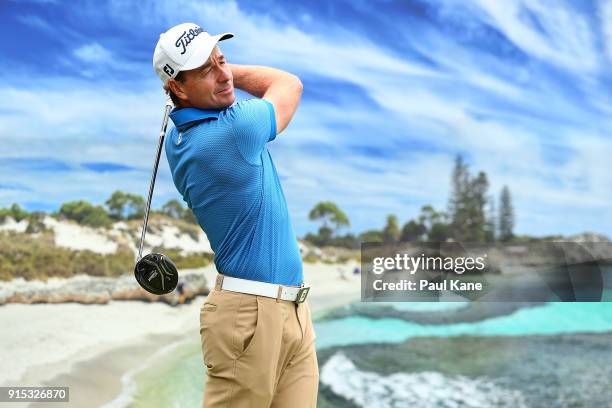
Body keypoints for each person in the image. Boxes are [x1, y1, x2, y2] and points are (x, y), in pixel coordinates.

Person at [152, 23, 318, 407]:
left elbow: (220, 87)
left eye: (222, 60)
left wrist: (212, 70)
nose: (224, 74)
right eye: (206, 70)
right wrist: (231, 72)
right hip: (250, 317)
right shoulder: (231, 131)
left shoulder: (183, 138)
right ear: (177, 87)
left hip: (292, 309)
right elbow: (289, 84)